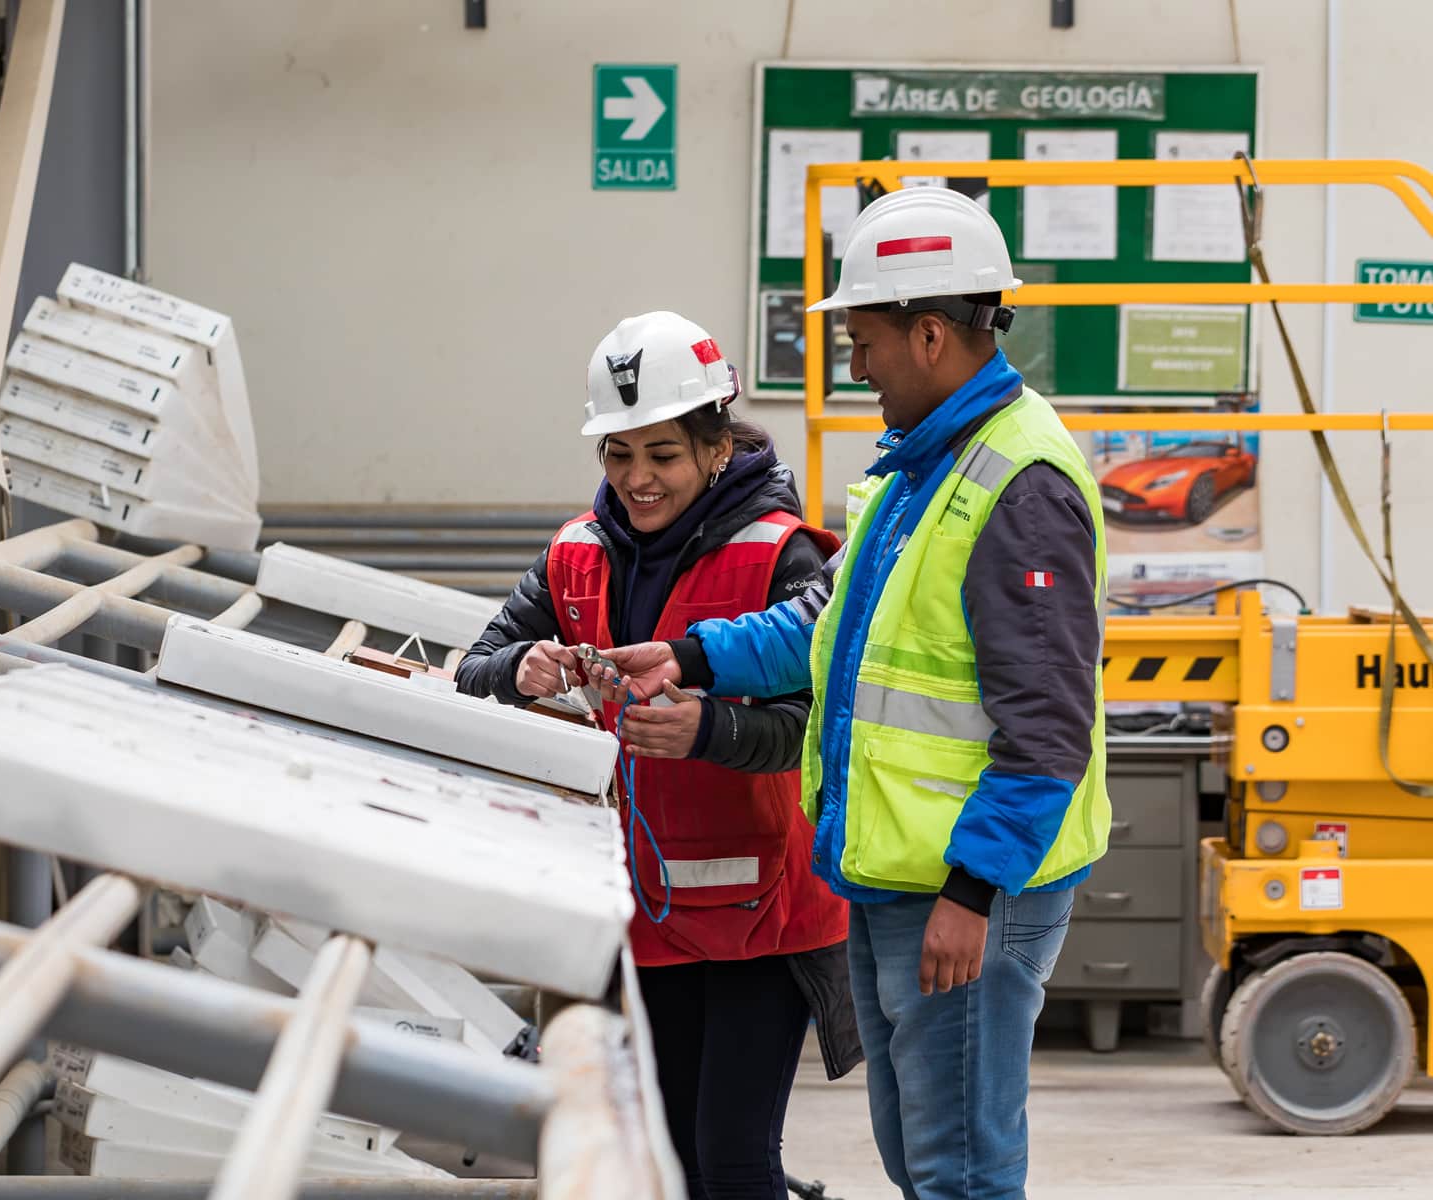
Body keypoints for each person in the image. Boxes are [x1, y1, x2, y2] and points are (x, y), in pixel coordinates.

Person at [587, 188, 1109, 1200]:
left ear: (927, 335)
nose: (852, 364)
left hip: (963, 888)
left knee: (959, 1170)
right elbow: (822, 635)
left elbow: (1047, 729)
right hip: (894, 875)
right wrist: (686, 659)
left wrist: (971, 892)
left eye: (863, 340)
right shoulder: (922, 471)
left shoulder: (1017, 482)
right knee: (919, 1154)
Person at [455, 311, 857, 1200]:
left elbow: (821, 728)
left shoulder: (782, 557)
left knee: (733, 1156)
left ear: (716, 447)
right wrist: (519, 670)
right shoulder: (575, 555)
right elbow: (470, 667)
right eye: (618, 455)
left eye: (664, 455)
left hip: (767, 916)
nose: (638, 479)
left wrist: (708, 730)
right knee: (670, 1149)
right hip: (645, 909)